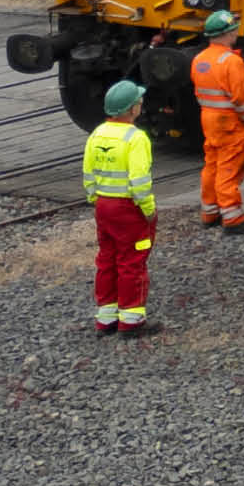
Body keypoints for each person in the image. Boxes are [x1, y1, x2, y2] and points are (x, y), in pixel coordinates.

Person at [82, 79, 157, 336]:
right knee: (132, 262)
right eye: (139, 102)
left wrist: (96, 200)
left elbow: (88, 175)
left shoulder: (97, 134)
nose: (141, 104)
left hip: (103, 206)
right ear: (132, 109)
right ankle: (131, 321)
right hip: (128, 209)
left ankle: (106, 319)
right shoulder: (135, 138)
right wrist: (148, 209)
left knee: (107, 259)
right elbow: (139, 183)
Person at [189, 10, 244, 233]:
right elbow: (240, 98)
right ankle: (232, 217)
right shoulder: (231, 62)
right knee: (229, 166)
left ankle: (210, 211)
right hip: (230, 122)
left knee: (212, 164)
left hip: (208, 119)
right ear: (229, 33)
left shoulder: (199, 60)